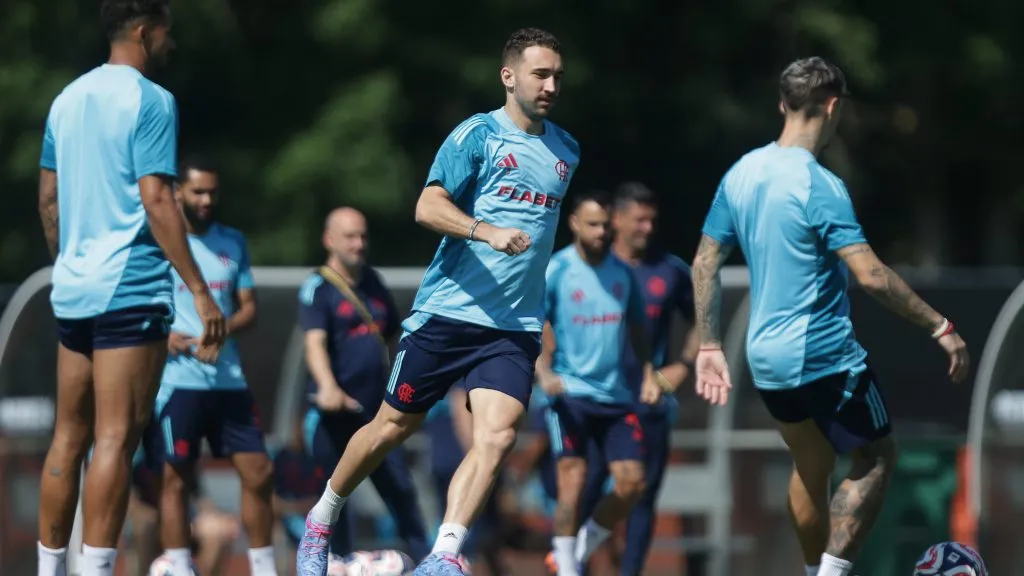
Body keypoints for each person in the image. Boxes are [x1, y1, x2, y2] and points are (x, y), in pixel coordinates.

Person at [296, 26, 580, 576]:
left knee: (496, 437)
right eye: (540, 74)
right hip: (448, 313)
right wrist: (484, 230)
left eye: (557, 77)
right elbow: (427, 207)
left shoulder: (566, 149)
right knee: (391, 428)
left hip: (513, 326)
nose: (550, 85)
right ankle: (322, 519)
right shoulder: (477, 136)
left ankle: (445, 553)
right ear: (509, 76)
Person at [690, 56, 970, 576]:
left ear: (783, 104)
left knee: (811, 465)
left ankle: (810, 571)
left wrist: (709, 344)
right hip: (821, 353)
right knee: (877, 457)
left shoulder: (742, 173)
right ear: (834, 106)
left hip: (765, 359)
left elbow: (705, 261)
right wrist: (941, 326)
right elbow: (872, 276)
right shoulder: (820, 185)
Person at [35, 2, 226, 574]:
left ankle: (49, 569)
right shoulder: (151, 100)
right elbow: (158, 197)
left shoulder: (65, 99)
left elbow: (49, 199)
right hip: (130, 288)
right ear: (145, 31)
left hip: (73, 289)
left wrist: (69, 261)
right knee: (115, 439)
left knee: (68, 438)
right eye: (167, 32)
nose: (171, 44)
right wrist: (199, 289)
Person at [155, 156, 276, 576]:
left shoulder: (233, 241)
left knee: (258, 472)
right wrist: (164, 335)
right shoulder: (159, 242)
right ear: (177, 193)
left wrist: (221, 330)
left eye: (212, 192)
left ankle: (263, 567)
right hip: (178, 381)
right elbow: (142, 306)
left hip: (228, 378)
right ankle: (179, 564)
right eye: (198, 191)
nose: (207, 200)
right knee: (174, 478)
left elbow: (249, 310)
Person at [535, 190, 660, 576]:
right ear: (574, 224)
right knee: (572, 482)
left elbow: (638, 325)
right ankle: (569, 570)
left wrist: (649, 372)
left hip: (616, 397)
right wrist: (545, 373)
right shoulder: (557, 270)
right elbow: (536, 325)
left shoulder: (622, 273)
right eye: (593, 224)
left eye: (606, 225)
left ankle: (578, 549)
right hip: (570, 394)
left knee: (631, 484)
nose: (601, 232)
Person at [298, 207, 430, 560]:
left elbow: (392, 337)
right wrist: (328, 387)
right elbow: (314, 343)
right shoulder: (319, 288)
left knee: (401, 493)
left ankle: (427, 562)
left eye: (362, 236)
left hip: (375, 417)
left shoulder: (373, 282)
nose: (358, 244)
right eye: (350, 236)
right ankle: (336, 564)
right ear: (329, 240)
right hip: (333, 417)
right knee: (335, 498)